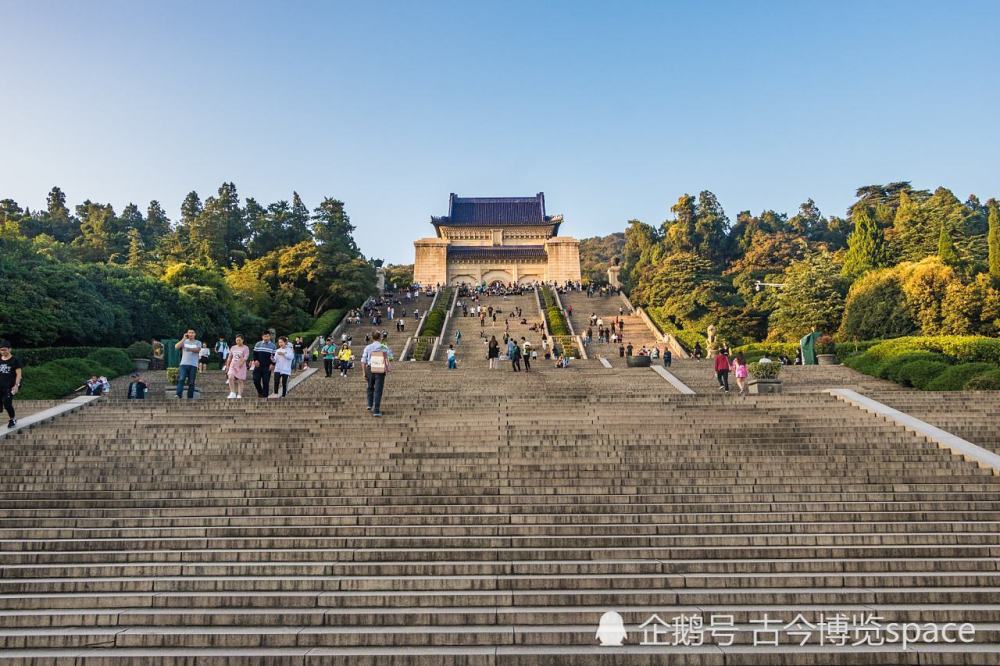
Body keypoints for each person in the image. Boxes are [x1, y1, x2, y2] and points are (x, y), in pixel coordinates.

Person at [361, 331, 393, 417]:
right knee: (378, 390)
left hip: (370, 368)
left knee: (370, 387)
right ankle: (376, 410)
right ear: (380, 337)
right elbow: (390, 357)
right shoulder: (384, 347)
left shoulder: (368, 347)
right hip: (380, 369)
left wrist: (364, 373)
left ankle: (369, 404)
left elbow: (363, 361)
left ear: (372, 337)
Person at [0, 340, 22, 429]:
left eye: (5, 350)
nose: (3, 352)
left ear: (10, 349)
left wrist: (16, 385)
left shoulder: (15, 360)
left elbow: (19, 374)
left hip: (10, 386)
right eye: (1, 350)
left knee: (7, 402)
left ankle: (12, 419)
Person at [174, 330, 202, 399]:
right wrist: (183, 338)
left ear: (195, 334)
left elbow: (198, 350)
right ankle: (178, 394)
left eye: (192, 333)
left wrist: (189, 349)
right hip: (184, 363)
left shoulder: (198, 342)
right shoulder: (184, 341)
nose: (191, 334)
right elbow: (176, 347)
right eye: (189, 333)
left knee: (191, 382)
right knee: (181, 379)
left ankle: (190, 397)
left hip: (193, 364)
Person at [252, 331, 276, 398]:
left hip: (267, 367)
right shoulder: (258, 344)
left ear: (270, 337)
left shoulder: (273, 346)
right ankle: (260, 392)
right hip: (258, 366)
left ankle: (265, 396)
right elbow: (254, 354)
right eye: (265, 336)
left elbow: (274, 356)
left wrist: (272, 364)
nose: (266, 338)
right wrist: (255, 360)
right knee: (256, 380)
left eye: (267, 336)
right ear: (262, 337)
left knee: (266, 382)